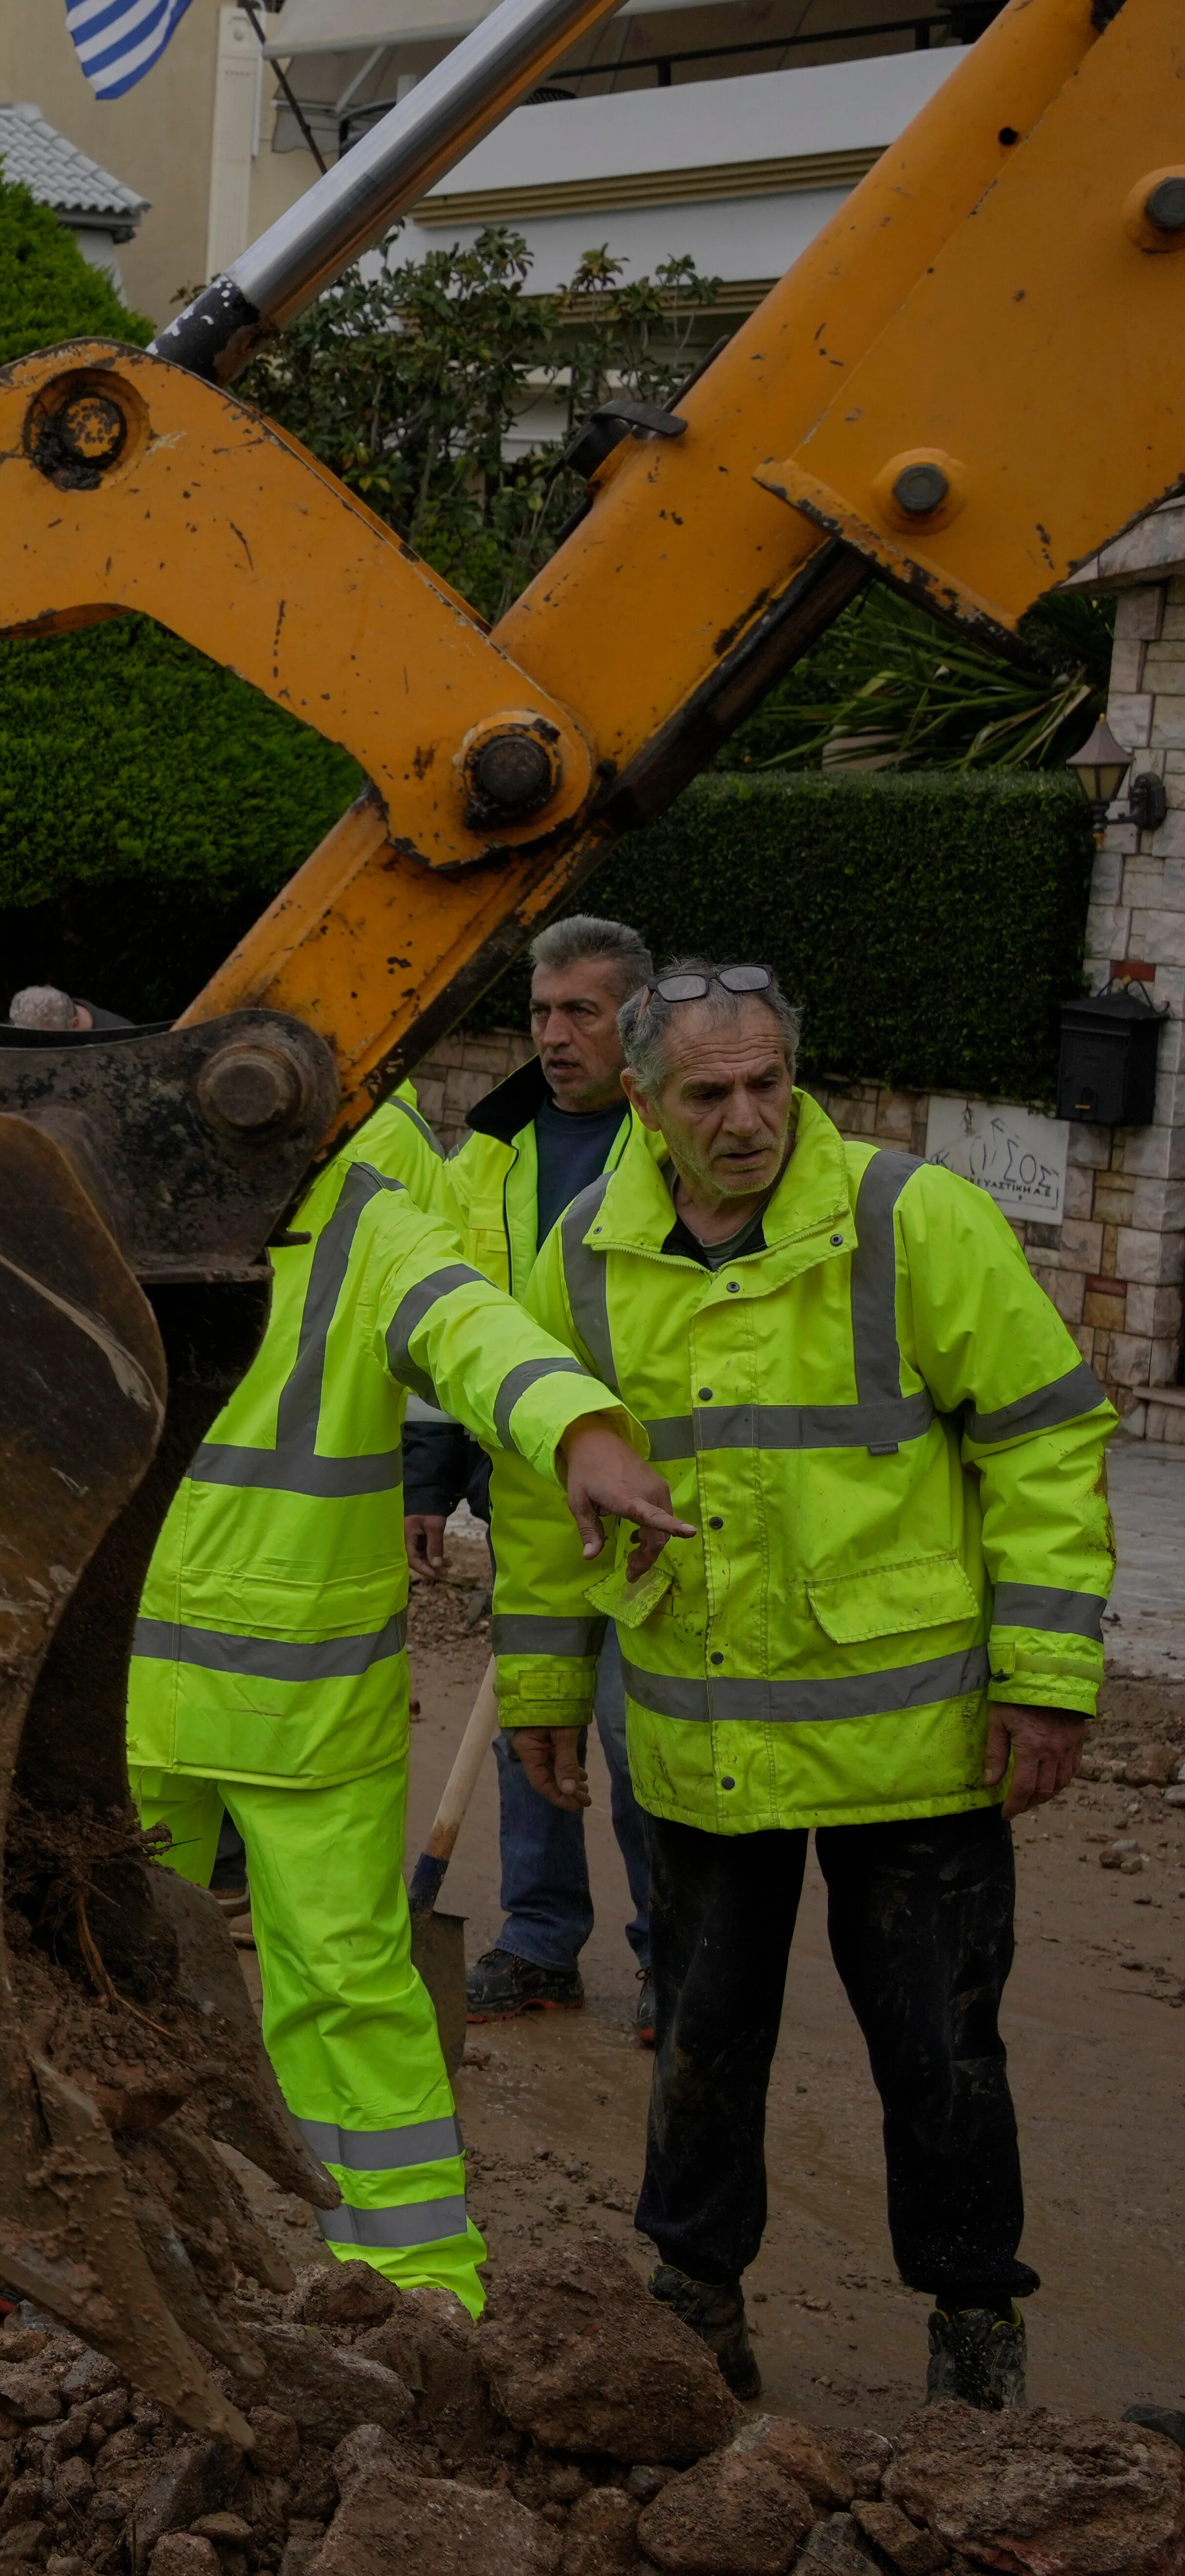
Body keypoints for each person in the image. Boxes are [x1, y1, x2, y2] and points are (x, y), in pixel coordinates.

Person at [493, 961, 1108, 2411]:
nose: (749, 1116)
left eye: (770, 1082)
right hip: (710, 1748)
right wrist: (541, 1688)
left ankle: (975, 2328)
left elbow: (1045, 1444)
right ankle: (695, 2303)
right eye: (709, 1092)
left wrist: (1048, 1677)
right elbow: (543, 1496)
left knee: (940, 2053)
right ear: (645, 1102)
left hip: (918, 1749)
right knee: (702, 2041)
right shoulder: (583, 1256)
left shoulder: (909, 1223)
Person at [130, 1085, 688, 2313]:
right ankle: (99, 2259)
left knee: (344, 1983)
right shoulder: (126, 1192)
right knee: (97, 1970)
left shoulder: (363, 1225)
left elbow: (479, 1333)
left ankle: (416, 2290)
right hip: (133, 1692)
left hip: (290, 1699)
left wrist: (579, 1425)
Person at [407, 915, 669, 2036]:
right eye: (541, 1012)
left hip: (655, 1500)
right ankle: (537, 1939)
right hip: (524, 1490)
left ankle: (673, 1956)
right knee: (532, 1723)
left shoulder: (675, 1142)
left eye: (582, 1012)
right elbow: (448, 1321)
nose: (555, 1036)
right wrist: (428, 1471)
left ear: (636, 1023)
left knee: (646, 1729)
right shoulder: (489, 1150)